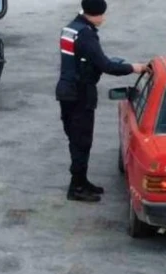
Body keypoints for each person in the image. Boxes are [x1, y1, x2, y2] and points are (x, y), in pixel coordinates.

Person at [56, 0, 147, 202]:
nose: (103, 19)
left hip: (67, 90)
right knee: (82, 141)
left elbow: (86, 59)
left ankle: (81, 180)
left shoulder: (71, 28)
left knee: (76, 139)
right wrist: (134, 67)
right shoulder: (86, 34)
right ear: (94, 14)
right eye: (102, 15)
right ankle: (76, 187)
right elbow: (105, 65)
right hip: (80, 93)